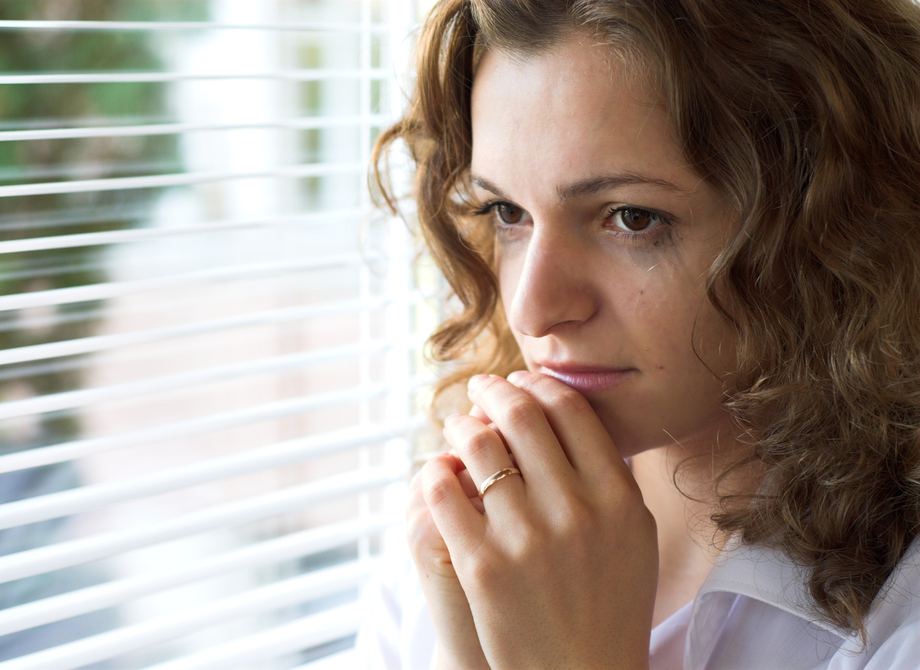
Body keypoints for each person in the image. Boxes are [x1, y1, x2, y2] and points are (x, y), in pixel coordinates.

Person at [356, 0, 920, 668]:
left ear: (830, 227)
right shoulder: (458, 544)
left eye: (630, 218)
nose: (533, 310)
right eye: (507, 212)